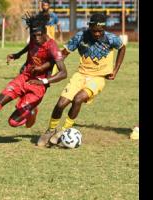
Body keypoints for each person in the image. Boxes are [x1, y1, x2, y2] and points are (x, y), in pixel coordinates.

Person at [0, 13, 67, 146]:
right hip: (24, 77)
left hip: (38, 87)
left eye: (38, 35)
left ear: (45, 32)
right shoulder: (33, 38)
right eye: (33, 35)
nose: (36, 38)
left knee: (13, 122)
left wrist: (43, 81)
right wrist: (17, 55)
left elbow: (63, 73)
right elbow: (29, 47)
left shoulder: (52, 46)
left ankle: (32, 111)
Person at [37, 13, 126, 147]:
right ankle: (50, 130)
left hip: (98, 78)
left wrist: (115, 70)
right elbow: (64, 54)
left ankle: (63, 131)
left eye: (100, 31)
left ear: (104, 29)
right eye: (94, 30)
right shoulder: (80, 36)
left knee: (78, 99)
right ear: (89, 26)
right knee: (61, 104)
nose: (97, 33)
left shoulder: (111, 38)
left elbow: (122, 48)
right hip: (80, 75)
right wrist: (51, 70)